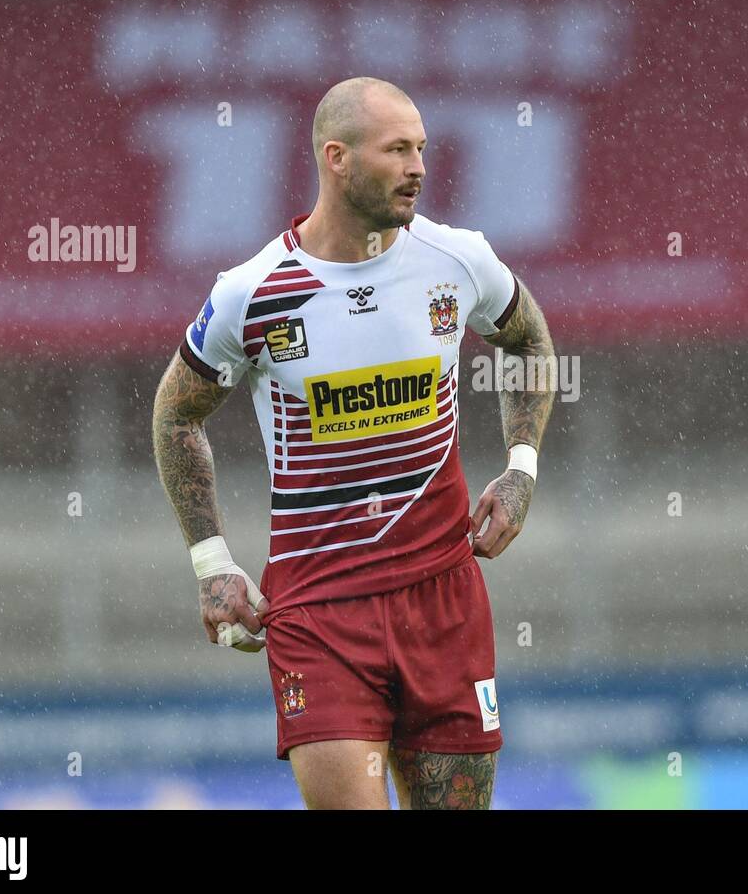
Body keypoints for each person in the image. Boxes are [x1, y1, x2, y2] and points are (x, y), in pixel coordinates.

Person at [151, 76, 556, 809]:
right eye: (397, 149)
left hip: (444, 595)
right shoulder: (253, 292)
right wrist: (213, 565)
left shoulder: (457, 259)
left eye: (423, 149)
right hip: (321, 612)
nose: (419, 167)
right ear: (336, 157)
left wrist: (520, 469)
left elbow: (527, 339)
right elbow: (176, 414)